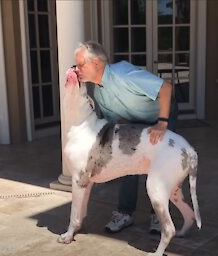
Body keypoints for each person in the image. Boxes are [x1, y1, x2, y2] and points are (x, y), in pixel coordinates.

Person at [73, 41, 178, 234]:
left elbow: (166, 88)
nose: (77, 69)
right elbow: (113, 123)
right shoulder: (97, 91)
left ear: (96, 63)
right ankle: (125, 213)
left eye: (81, 65)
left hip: (162, 114)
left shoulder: (123, 73)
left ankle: (158, 215)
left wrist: (162, 123)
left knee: (157, 165)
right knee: (129, 162)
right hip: (136, 119)